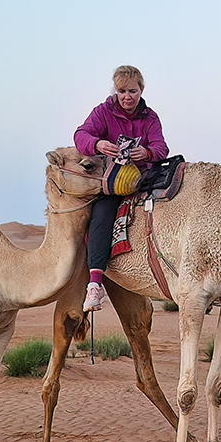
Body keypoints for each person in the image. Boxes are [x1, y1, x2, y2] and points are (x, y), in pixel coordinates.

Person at [74, 65, 168, 312]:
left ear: (141, 90)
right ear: (115, 91)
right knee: (101, 216)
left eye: (133, 91)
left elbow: (161, 148)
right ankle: (94, 285)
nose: (128, 97)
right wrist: (98, 144)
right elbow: (81, 135)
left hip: (144, 178)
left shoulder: (150, 118)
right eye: (122, 91)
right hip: (114, 182)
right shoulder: (103, 112)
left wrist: (147, 152)